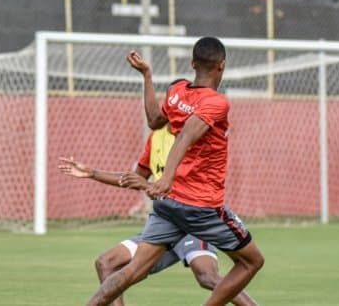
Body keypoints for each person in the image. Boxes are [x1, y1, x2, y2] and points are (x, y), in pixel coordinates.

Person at [87, 37, 264, 306]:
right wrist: (167, 178)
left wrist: (147, 75)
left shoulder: (178, 91)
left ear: (193, 63)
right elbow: (185, 138)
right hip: (202, 206)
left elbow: (154, 120)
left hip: (169, 205)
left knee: (130, 271)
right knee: (252, 261)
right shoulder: (217, 103)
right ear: (222, 66)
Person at [59, 124, 256, 306]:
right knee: (107, 262)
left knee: (207, 276)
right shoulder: (156, 137)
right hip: (165, 223)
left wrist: (149, 186)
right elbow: (135, 178)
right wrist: (93, 173)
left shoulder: (194, 138)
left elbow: (187, 193)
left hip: (192, 225)